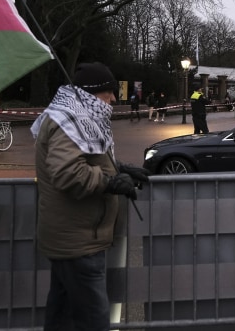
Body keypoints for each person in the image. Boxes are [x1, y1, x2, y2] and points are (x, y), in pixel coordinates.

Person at [31, 62, 150, 331]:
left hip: (74, 237)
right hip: (78, 240)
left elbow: (85, 157)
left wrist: (117, 167)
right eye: (108, 93)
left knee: (63, 314)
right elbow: (68, 173)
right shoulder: (68, 120)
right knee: (93, 319)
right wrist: (110, 183)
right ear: (93, 93)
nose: (113, 99)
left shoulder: (77, 115)